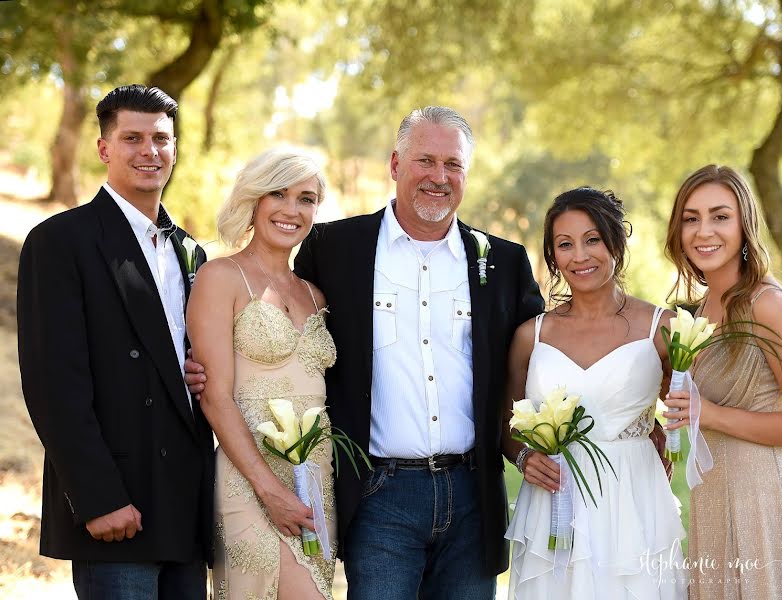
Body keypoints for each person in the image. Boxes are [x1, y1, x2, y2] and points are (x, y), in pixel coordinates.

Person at [185, 106, 545, 598]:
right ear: (396, 165)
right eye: (424, 161)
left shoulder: (501, 261)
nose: (439, 177)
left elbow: (536, 359)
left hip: (473, 496)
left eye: (453, 165)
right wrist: (205, 370)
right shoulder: (336, 248)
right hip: (377, 495)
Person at [17, 84, 213, 599]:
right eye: (133, 138)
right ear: (104, 148)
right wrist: (97, 497)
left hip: (185, 503)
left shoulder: (192, 251)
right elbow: (53, 383)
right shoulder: (60, 241)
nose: (149, 151)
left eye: (161, 139)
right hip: (116, 501)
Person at [662, 164, 782, 599]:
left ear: (745, 224)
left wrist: (711, 414)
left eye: (720, 216)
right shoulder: (698, 312)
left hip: (771, 512)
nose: (704, 231)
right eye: (691, 218)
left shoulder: (767, 303)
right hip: (715, 507)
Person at [503, 188, 688, 599]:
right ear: (552, 256)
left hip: (632, 501)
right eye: (564, 245)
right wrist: (523, 456)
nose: (580, 256)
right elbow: (507, 424)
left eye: (592, 240)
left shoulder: (663, 328)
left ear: (616, 243)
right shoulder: (530, 336)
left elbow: (700, 404)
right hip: (553, 504)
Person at [186, 150, 337, 599]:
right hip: (248, 479)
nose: (292, 210)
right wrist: (269, 489)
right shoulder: (220, 277)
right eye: (278, 193)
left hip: (316, 479)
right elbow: (215, 397)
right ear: (253, 200)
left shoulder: (316, 293)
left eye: (306, 199)